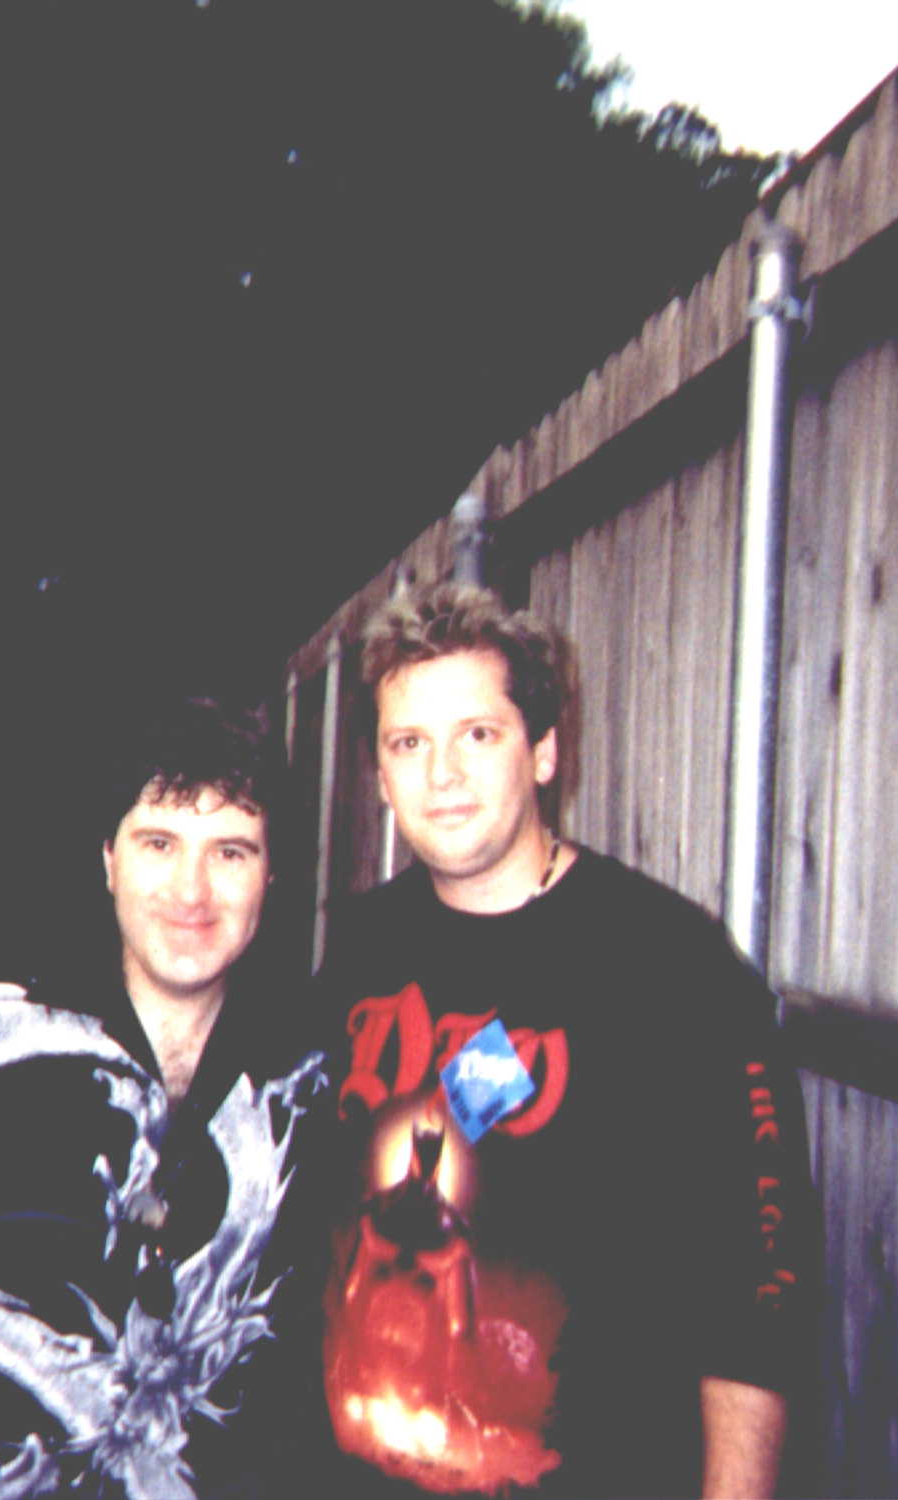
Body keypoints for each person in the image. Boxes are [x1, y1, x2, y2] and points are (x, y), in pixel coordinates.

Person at [316, 582, 819, 1500]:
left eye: (478, 734)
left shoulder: (673, 965)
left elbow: (759, 1302)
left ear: (544, 752)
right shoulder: (355, 950)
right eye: (408, 744)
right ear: (381, 778)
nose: (442, 775)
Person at [0, 698, 331, 1500]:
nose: (192, 891)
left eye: (230, 851)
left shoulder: (314, 1074)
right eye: (159, 844)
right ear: (109, 860)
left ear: (271, 875)